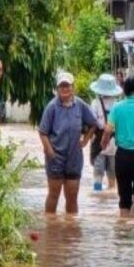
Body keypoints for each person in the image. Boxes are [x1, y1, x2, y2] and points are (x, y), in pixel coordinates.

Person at [38, 71, 97, 214]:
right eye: (61, 86)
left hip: (74, 157)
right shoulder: (52, 107)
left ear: (73, 88)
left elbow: (94, 123)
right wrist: (49, 150)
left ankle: (71, 231)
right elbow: (43, 132)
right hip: (55, 157)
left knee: (72, 197)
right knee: (54, 195)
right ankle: (51, 226)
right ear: (57, 89)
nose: (65, 89)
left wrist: (86, 140)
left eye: (67, 86)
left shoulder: (80, 105)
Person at [101, 76, 134, 218]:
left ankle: (123, 234)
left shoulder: (117, 108)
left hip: (122, 156)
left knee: (124, 199)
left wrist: (103, 143)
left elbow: (108, 130)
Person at [89, 73, 123, 191]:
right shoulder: (118, 104)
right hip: (115, 143)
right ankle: (111, 192)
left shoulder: (95, 103)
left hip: (99, 142)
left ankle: (98, 192)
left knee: (98, 172)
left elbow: (92, 121)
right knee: (112, 173)